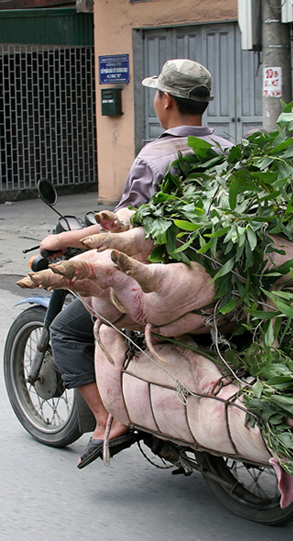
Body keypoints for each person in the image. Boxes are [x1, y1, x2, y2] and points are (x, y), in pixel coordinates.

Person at [40, 59, 232, 469]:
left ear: (165, 99)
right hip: (217, 279)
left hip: (160, 283)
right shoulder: (227, 148)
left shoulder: (155, 156)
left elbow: (123, 229)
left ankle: (108, 419)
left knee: (66, 330)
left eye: (157, 94)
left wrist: (59, 240)